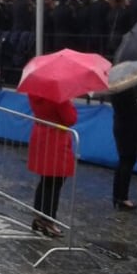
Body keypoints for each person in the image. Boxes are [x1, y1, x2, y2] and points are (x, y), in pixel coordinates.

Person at [26, 93, 78, 237]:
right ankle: (48, 221)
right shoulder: (60, 96)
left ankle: (39, 217)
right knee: (55, 183)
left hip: (42, 135)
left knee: (45, 181)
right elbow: (70, 119)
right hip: (56, 141)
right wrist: (70, 103)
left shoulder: (35, 92)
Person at [109, 89, 137, 211]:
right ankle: (122, 197)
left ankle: (118, 195)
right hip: (128, 127)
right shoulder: (125, 90)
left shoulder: (115, 89)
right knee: (127, 160)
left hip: (121, 125)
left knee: (124, 160)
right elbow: (131, 109)